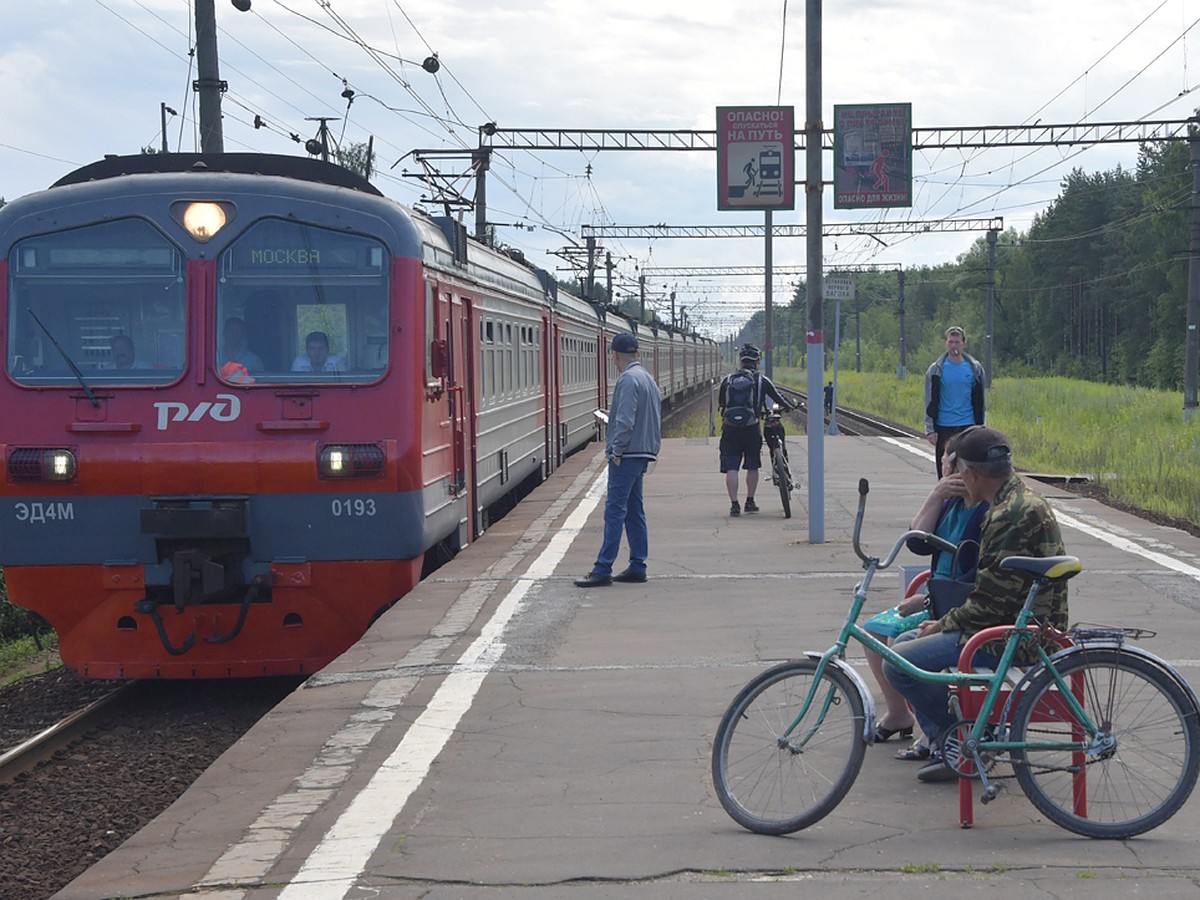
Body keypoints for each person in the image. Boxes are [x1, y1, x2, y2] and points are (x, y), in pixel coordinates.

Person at [883, 426, 1068, 783]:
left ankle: (960, 742)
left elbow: (989, 603)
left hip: (1014, 638)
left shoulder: (1006, 517)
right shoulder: (1016, 501)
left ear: (971, 473)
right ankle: (954, 742)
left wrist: (942, 624)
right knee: (905, 646)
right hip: (1017, 626)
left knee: (898, 663)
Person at [862, 432, 988, 758]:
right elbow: (917, 541)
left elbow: (973, 578)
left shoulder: (984, 511)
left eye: (949, 465)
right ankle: (898, 712)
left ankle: (934, 734)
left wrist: (926, 600)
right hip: (937, 595)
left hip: (948, 604)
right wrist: (934, 497)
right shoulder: (949, 504)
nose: (944, 471)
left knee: (900, 645)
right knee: (873, 631)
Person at [574, 332, 663, 588]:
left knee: (614, 511)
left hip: (628, 454)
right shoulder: (647, 379)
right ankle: (638, 565)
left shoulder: (627, 380)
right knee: (635, 511)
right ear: (636, 353)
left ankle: (603, 568)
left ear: (615, 355)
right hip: (643, 452)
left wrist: (616, 450)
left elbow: (625, 420)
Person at [718, 344, 793, 517]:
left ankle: (734, 505)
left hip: (730, 429)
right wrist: (789, 407)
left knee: (732, 468)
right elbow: (778, 397)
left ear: (741, 361)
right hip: (751, 428)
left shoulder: (727, 380)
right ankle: (750, 502)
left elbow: (722, 402)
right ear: (757, 362)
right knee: (752, 466)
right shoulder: (761, 380)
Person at [924, 325, 985, 478]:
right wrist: (930, 429)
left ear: (963, 344)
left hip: (968, 424)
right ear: (946, 344)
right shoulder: (936, 369)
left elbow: (981, 401)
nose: (954, 346)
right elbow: (929, 400)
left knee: (968, 470)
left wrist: (982, 427)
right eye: (951, 342)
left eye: (957, 342)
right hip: (944, 426)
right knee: (945, 471)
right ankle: (946, 500)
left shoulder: (975, 368)